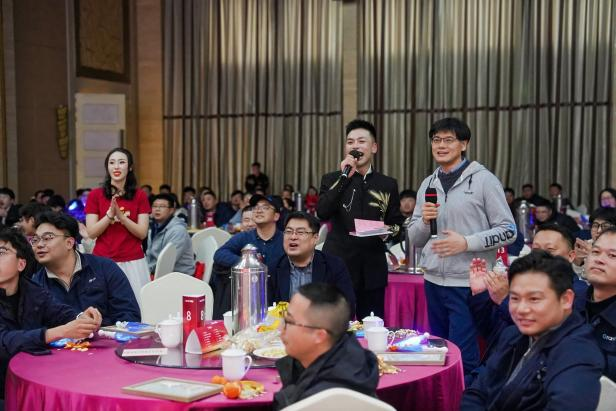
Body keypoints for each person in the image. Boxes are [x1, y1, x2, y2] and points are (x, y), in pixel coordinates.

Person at [408, 117, 516, 375]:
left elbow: (509, 230)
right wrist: (424, 221)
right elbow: (414, 238)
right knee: (438, 353)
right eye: (436, 140)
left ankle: (467, 396)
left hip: (468, 284)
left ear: (464, 144)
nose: (441, 146)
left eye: (449, 140)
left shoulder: (484, 181)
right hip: (433, 281)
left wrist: (466, 242)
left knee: (463, 357)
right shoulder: (428, 184)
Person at [461, 251, 604, 411]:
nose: (521, 309)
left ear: (566, 299)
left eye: (534, 299)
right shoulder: (513, 335)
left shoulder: (578, 355)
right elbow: (477, 391)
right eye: (515, 298)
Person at [317, 119, 404, 319]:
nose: (355, 146)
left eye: (361, 141)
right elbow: (322, 212)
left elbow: (398, 225)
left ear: (374, 147)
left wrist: (386, 232)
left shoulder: (387, 184)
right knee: (336, 325)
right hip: (338, 265)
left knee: (372, 326)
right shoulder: (332, 179)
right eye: (350, 142)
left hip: (372, 269)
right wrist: (344, 178)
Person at [0, 227, 102, 398]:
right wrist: (60, 332)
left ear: (21, 264)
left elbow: (59, 312)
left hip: (31, 378)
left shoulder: (32, 290)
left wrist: (82, 318)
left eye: (2, 252)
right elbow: (5, 342)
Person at [273, 283, 379, 410]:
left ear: (319, 335)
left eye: (288, 321)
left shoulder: (321, 401)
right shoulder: (354, 360)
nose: (280, 329)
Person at [31, 212, 140, 326]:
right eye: (35, 240)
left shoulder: (104, 268)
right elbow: (36, 329)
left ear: (69, 243)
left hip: (108, 336)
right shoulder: (36, 285)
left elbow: (129, 315)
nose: (39, 245)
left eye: (47, 238)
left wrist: (100, 332)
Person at [85, 148, 151, 306]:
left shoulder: (140, 195)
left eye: (121, 162)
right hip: (103, 260)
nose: (116, 166)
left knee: (136, 307)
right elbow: (91, 232)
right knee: (103, 308)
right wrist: (109, 215)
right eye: (112, 162)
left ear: (130, 167)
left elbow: (142, 233)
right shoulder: (95, 195)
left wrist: (122, 217)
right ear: (107, 167)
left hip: (133, 261)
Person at [269, 211, 355, 313]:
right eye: (288, 231)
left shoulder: (334, 266)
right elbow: (265, 309)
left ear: (315, 238)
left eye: (300, 232)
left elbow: (347, 306)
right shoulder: (273, 269)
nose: (293, 237)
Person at [145, 194, 195, 275]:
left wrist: (146, 270)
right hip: (158, 272)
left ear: (171, 210)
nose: (157, 209)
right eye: (154, 206)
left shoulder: (178, 231)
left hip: (179, 275)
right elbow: (149, 255)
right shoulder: (153, 228)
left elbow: (168, 260)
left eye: (162, 206)